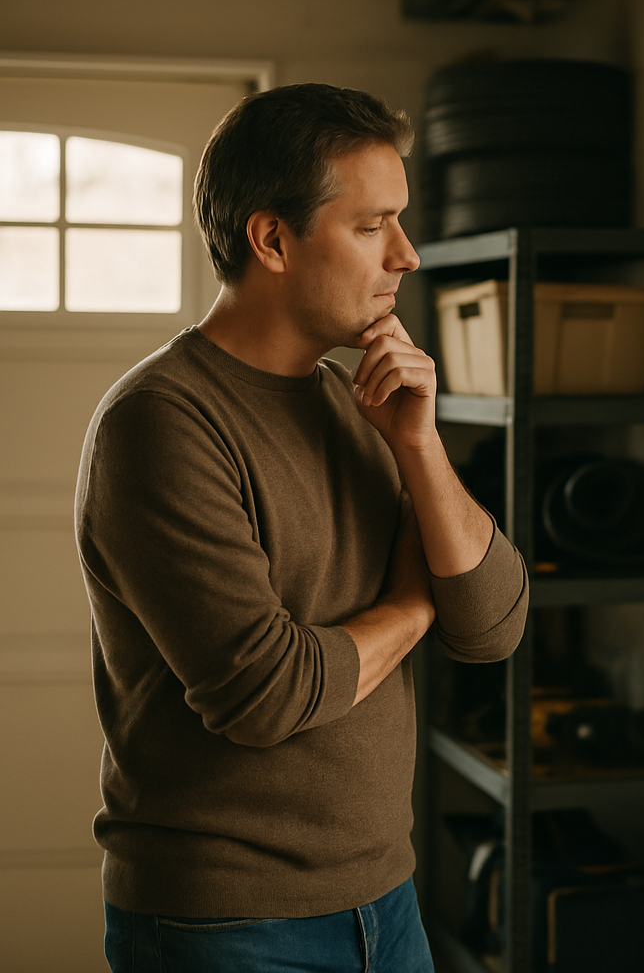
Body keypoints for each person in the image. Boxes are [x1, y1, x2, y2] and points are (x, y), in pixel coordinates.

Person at [74, 83, 528, 973]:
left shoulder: (362, 400)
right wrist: (410, 601)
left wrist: (422, 447)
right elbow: (265, 695)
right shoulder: (162, 422)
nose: (409, 254)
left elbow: (493, 624)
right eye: (372, 227)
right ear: (272, 238)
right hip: (224, 928)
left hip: (388, 903)